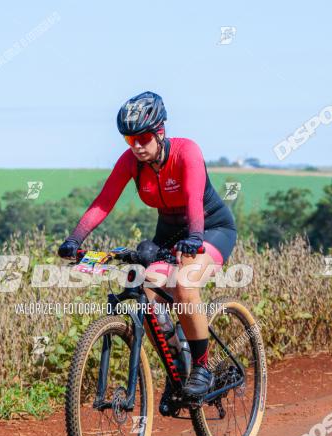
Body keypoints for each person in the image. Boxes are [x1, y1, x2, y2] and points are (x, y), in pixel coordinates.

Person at [57, 91, 237, 398]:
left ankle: (203, 367)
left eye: (142, 138)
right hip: (168, 231)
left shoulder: (186, 152)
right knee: (147, 288)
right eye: (130, 140)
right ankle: (176, 368)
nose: (137, 146)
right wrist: (75, 239)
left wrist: (194, 238)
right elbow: (103, 203)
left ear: (160, 132)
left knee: (184, 282)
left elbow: (193, 199)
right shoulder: (131, 162)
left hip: (209, 228)